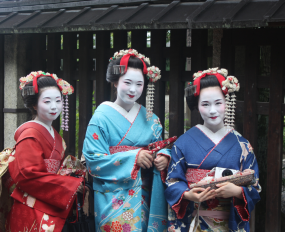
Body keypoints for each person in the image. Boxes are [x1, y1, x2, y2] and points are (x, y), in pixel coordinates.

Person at [82, 49, 174, 232]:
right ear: (115, 82)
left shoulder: (151, 119)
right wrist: (134, 158)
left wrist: (164, 156)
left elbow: (159, 147)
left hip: (145, 194)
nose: (133, 89)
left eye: (139, 84)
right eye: (127, 82)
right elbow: (93, 160)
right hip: (114, 196)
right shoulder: (101, 117)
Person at [0, 71, 85, 232]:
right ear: (34, 105)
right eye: (47, 101)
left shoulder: (54, 135)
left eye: (58, 101)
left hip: (50, 200)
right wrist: (68, 185)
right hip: (30, 207)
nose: (54, 106)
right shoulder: (29, 135)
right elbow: (27, 175)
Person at [164, 68, 261, 232]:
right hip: (193, 220)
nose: (212, 110)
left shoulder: (242, 145)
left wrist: (237, 191)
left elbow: (255, 185)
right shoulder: (184, 142)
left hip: (228, 222)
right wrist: (188, 195)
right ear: (197, 105)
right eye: (205, 104)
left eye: (218, 103)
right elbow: (172, 181)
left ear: (227, 102)